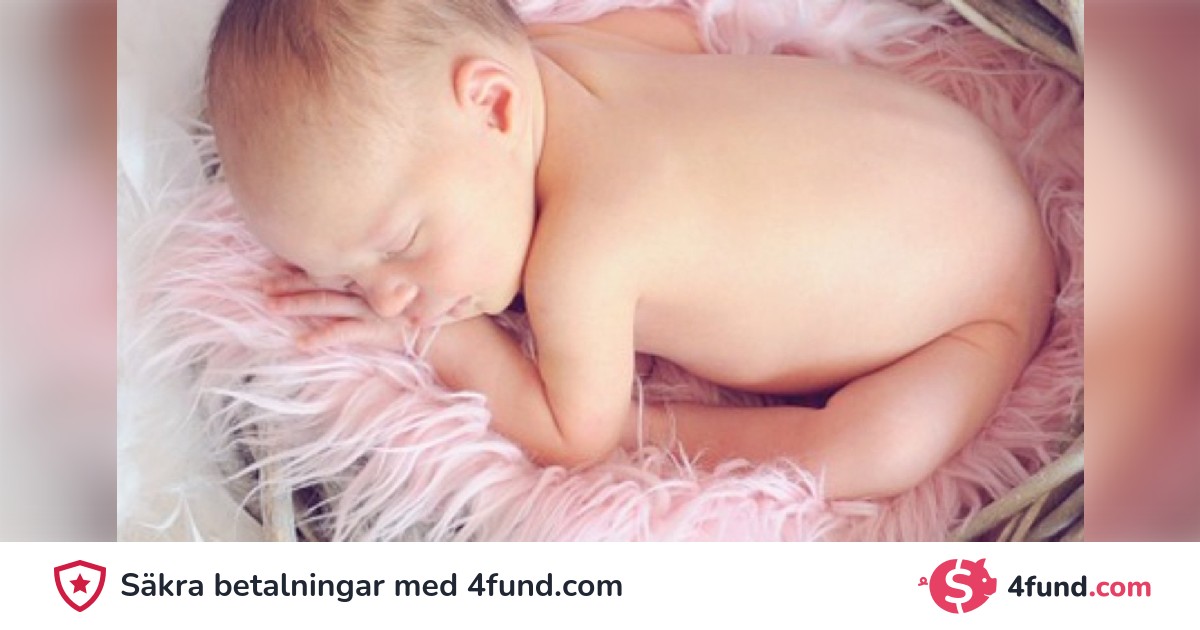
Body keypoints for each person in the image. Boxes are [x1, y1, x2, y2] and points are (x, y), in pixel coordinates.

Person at [205, 1, 1054, 500]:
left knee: (872, 452)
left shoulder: (582, 254)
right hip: (956, 145)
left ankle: (672, 427)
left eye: (401, 244)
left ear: (494, 106)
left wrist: (452, 341)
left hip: (976, 314)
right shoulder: (566, 57)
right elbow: (679, 31)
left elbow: (574, 434)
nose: (390, 298)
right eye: (349, 280)